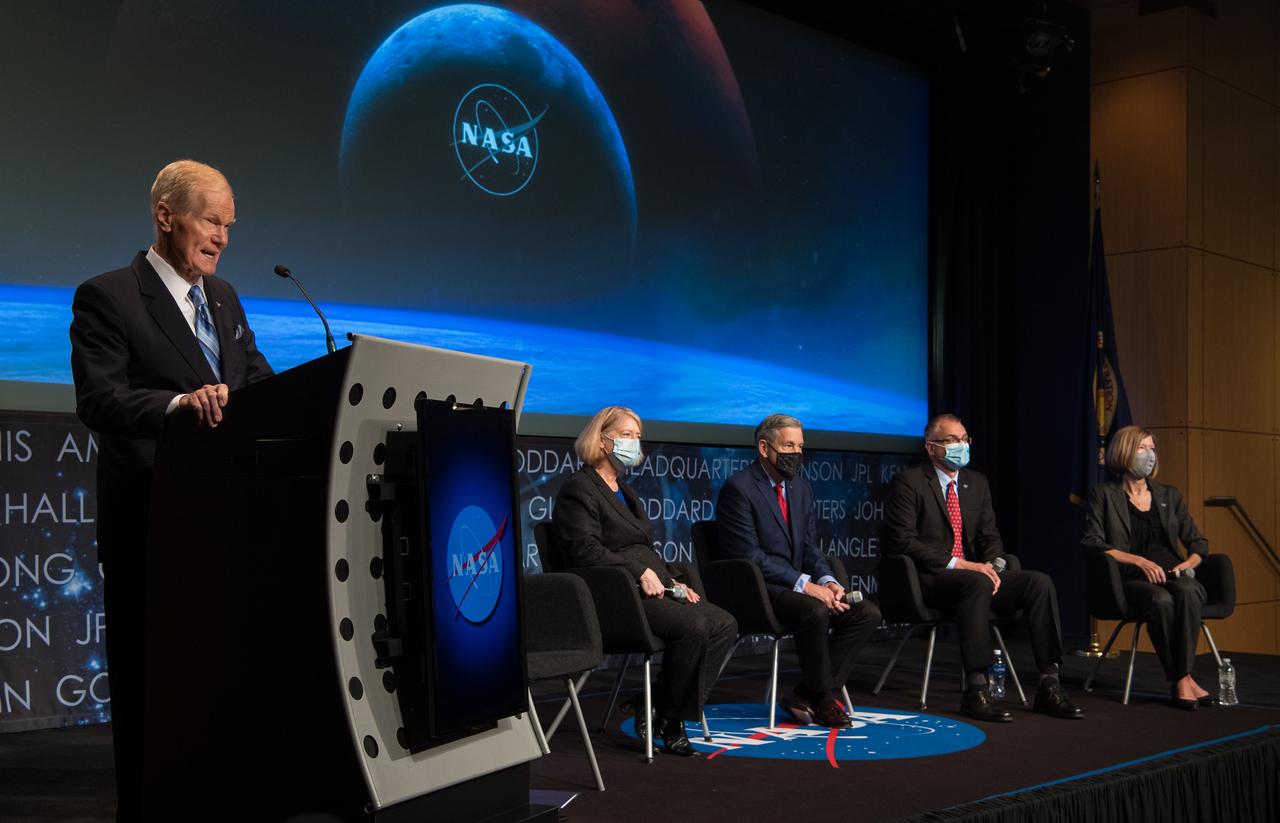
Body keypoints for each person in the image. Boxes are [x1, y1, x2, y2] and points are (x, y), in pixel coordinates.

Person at [69, 160, 273, 818]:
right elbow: (101, 400)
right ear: (166, 215)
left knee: (222, 695)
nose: (222, 237)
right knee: (152, 696)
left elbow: (261, 386)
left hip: (228, 529)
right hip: (151, 528)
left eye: (229, 226)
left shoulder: (227, 299)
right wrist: (180, 404)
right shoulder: (108, 297)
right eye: (212, 220)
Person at [552, 406, 737, 756]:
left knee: (724, 623)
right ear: (602, 440)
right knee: (694, 625)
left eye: (637, 436)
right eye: (626, 435)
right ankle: (669, 719)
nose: (634, 443)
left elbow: (644, 550)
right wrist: (637, 572)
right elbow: (584, 550)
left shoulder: (623, 488)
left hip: (651, 588)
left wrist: (676, 580)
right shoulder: (579, 488)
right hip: (614, 597)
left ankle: (656, 705)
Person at [884, 413, 1084, 722]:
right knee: (974, 582)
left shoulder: (976, 483)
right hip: (932, 580)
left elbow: (990, 535)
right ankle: (976, 689)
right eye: (952, 440)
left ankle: (1049, 684)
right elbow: (903, 541)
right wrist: (962, 564)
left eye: (964, 439)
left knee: (1038, 583)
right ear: (931, 448)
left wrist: (994, 564)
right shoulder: (908, 483)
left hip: (976, 574)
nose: (961, 446)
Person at [717, 414, 882, 728]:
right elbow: (748, 556)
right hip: (759, 590)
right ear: (764, 448)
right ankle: (822, 700)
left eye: (800, 446)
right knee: (814, 611)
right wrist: (804, 584)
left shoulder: (801, 488)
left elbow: (809, 549)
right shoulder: (738, 488)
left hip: (794, 587)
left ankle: (806, 691)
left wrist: (827, 580)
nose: (796, 453)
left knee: (866, 613)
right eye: (788, 445)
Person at [1081, 425, 1213, 710]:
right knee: (1161, 600)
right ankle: (1182, 679)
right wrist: (1139, 561)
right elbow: (1092, 542)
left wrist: (1188, 564)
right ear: (1125, 452)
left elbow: (1198, 543)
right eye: (1143, 448)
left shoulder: (1170, 495)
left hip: (1172, 573)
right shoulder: (1104, 494)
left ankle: (1183, 677)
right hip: (1131, 579)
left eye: (1153, 449)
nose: (1150, 455)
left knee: (1189, 591)